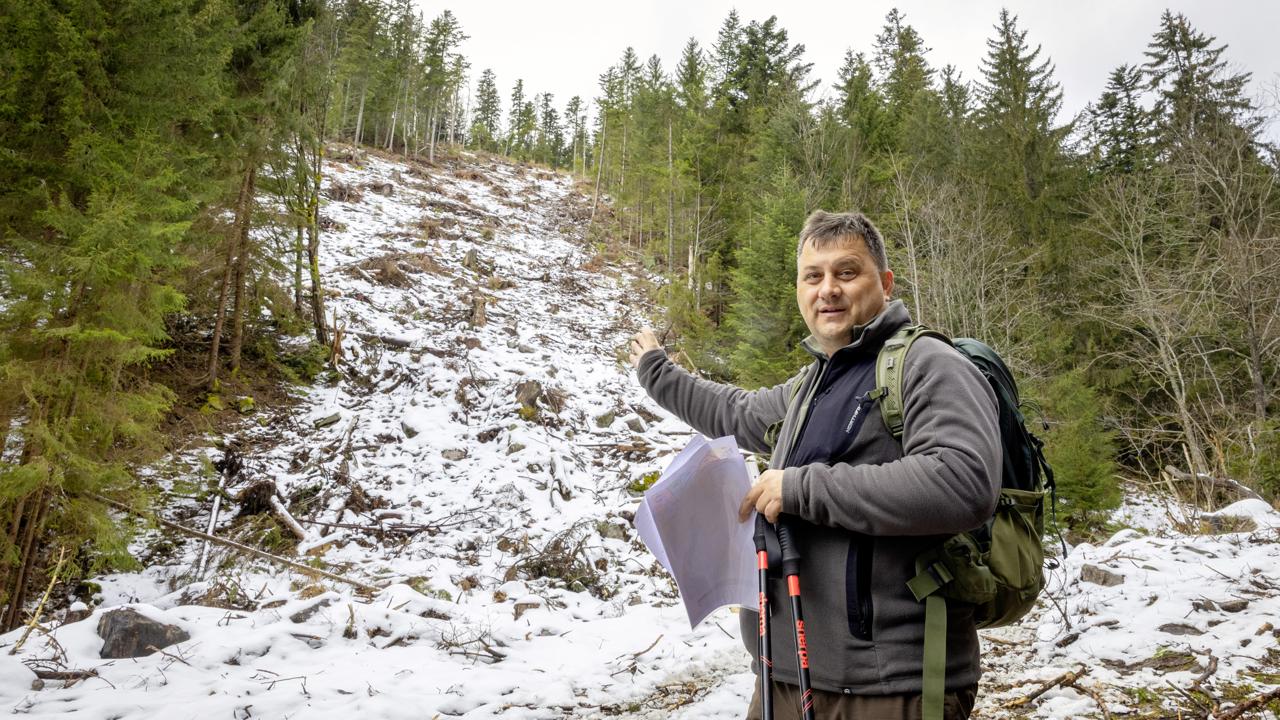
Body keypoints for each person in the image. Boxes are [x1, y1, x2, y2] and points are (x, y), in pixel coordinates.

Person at [629, 210, 1001, 720]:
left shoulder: (928, 365)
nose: (828, 289)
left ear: (885, 283)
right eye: (813, 276)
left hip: (894, 690)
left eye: (847, 272)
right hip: (785, 678)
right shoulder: (811, 385)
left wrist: (802, 489)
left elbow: (964, 482)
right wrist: (656, 371)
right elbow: (732, 412)